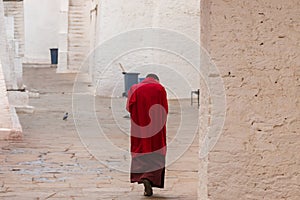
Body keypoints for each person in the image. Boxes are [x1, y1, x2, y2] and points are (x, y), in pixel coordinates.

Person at [126, 73, 168, 196]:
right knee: (156, 150)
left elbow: (129, 107)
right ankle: (150, 177)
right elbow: (165, 109)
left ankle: (143, 176)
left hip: (139, 128)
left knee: (141, 149)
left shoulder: (135, 88)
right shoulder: (160, 88)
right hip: (156, 128)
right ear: (156, 80)